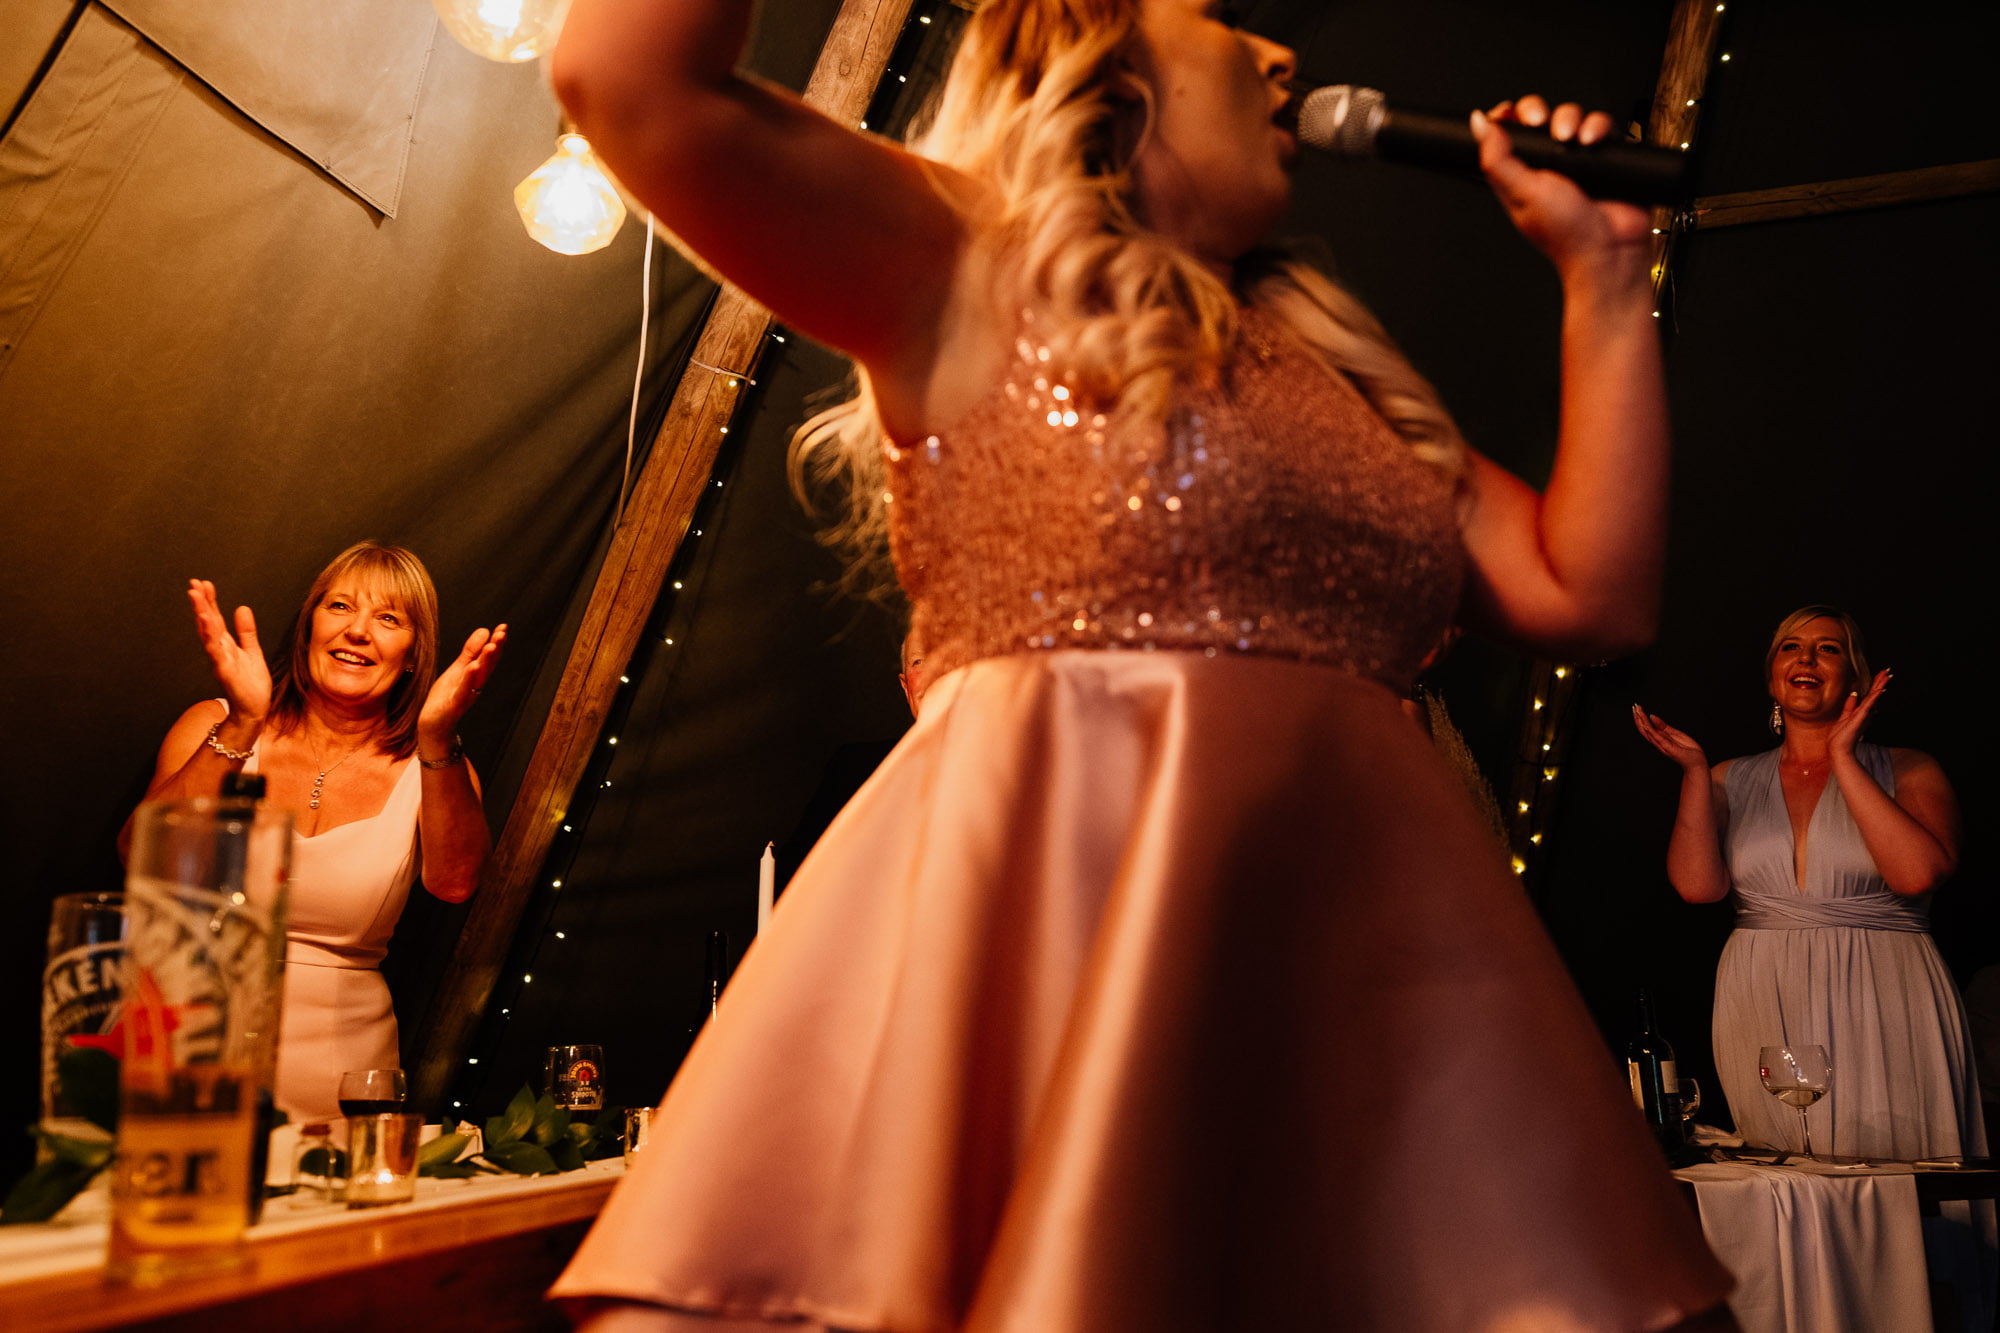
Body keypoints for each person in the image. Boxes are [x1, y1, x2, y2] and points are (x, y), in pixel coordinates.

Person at [549, 1, 1732, 1328]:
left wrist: (1603, 273)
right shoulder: (957, 257)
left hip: (1356, 1004)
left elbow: (1593, 594)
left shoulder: (1338, 369)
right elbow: (622, 75)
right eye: (1223, 20)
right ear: (1092, 57)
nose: (1281, 56)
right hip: (1069, 941)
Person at [122, 541, 506, 1122]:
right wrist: (244, 722)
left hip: (342, 1071)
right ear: (309, 629)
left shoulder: (437, 769)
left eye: (387, 618)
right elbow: (140, 854)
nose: (357, 631)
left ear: (411, 656)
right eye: (341, 607)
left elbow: (455, 883)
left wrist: (436, 739)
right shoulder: (216, 726)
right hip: (192, 1045)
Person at [1632, 606, 1982, 1162]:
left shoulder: (1910, 769)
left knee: (1898, 1163)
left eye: (1828, 648)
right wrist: (1696, 774)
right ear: (1773, 674)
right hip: (1762, 991)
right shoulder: (1729, 778)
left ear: (1856, 677)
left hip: (1882, 991)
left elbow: (1917, 874)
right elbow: (1698, 888)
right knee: (1786, 1170)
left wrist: (1843, 757)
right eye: (1791, 647)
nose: (1807, 658)